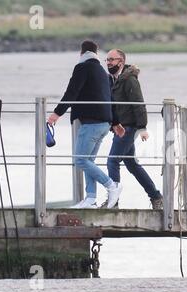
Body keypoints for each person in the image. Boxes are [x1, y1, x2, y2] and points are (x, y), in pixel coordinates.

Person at [47, 40, 124, 209]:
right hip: (105, 124)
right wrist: (116, 123)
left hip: (91, 123)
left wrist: (56, 113)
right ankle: (90, 199)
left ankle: (112, 185)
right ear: (96, 54)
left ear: (81, 54)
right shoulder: (104, 73)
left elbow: (72, 92)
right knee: (89, 161)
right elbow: (111, 100)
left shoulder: (82, 67)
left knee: (80, 160)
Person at [101, 48, 163, 209]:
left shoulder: (129, 79)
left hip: (129, 127)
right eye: (107, 60)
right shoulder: (111, 79)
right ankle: (156, 196)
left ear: (121, 61)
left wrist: (142, 128)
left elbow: (138, 103)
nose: (108, 63)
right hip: (119, 127)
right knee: (132, 164)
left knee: (112, 160)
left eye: (112, 60)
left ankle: (113, 202)